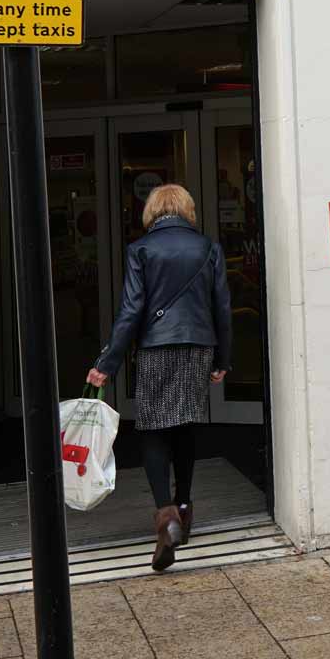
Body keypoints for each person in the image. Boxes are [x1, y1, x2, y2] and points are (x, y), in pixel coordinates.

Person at [86, 183, 231, 571]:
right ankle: (184, 507)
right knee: (185, 425)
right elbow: (223, 307)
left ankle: (165, 516)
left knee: (152, 429)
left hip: (156, 348)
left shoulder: (141, 250)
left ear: (152, 212)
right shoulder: (208, 248)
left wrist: (107, 363)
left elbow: (131, 311)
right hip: (198, 346)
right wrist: (223, 359)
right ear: (187, 210)